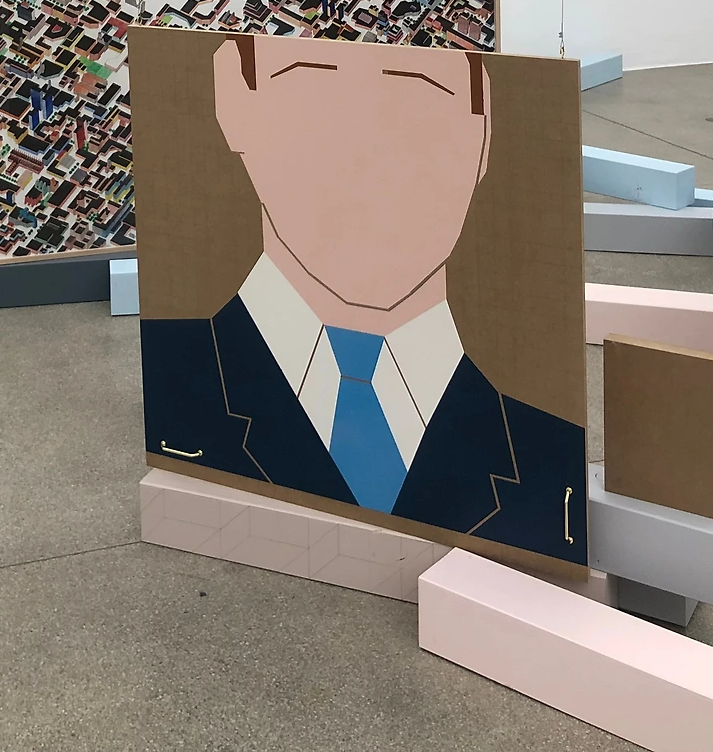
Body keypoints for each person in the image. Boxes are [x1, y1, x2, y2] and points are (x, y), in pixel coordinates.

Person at [140, 35, 586, 565]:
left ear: (483, 125)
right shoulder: (172, 382)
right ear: (234, 97)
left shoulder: (551, 463)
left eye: (420, 89)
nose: (366, 151)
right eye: (312, 82)